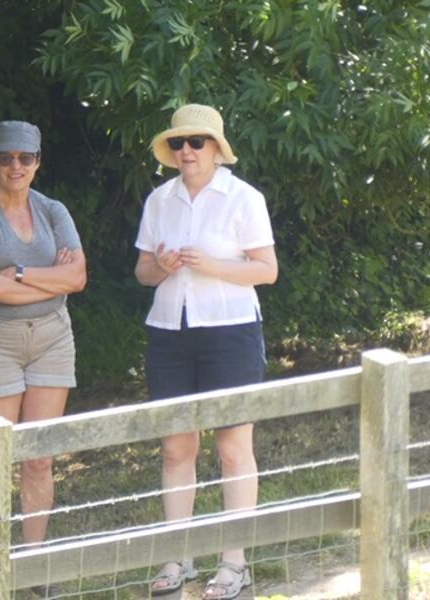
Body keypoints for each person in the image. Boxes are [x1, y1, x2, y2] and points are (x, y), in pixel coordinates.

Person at [135, 104, 278, 599]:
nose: (187, 151)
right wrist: (163, 265)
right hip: (169, 332)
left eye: (196, 142)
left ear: (217, 148)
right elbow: (143, 273)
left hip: (230, 332)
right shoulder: (159, 200)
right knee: (176, 447)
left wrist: (212, 265)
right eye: (178, 143)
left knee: (233, 448)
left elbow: (267, 270)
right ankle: (177, 557)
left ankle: (234, 563)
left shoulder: (244, 198)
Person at [0, 121, 86, 591]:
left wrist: (21, 273)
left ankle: (32, 564)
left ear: (38, 162)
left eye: (25, 158)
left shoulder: (53, 210)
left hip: (52, 337)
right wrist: (51, 279)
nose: (16, 166)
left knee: (39, 457)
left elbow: (78, 278)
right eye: (6, 157)